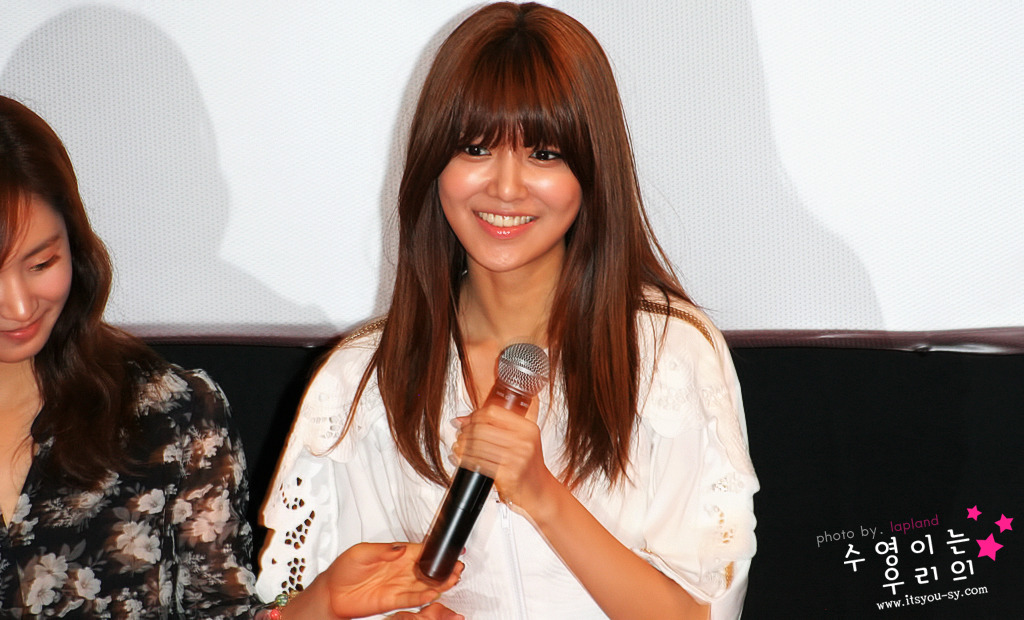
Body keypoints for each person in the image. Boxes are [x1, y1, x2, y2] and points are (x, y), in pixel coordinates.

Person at [258, 3, 758, 619]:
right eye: (475, 148)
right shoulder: (360, 379)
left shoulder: (667, 355)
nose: (505, 186)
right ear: (434, 163)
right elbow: (296, 599)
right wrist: (332, 605)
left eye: (544, 154)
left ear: (591, 170)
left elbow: (703, 612)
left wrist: (542, 494)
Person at [0, 94, 461, 619]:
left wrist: (324, 603)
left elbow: (219, 610)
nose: (20, 306)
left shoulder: (170, 413)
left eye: (42, 263)